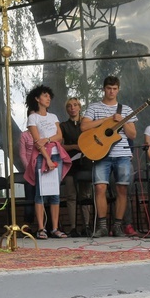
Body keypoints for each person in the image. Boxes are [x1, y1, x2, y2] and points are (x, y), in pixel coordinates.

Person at [81, 76, 137, 238]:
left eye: (114, 89)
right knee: (99, 188)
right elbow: (84, 126)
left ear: (118, 90)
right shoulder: (94, 107)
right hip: (100, 154)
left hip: (122, 154)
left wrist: (123, 121)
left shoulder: (125, 109)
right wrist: (107, 119)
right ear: (104, 89)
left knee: (122, 189)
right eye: (108, 88)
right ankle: (102, 226)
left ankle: (118, 226)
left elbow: (132, 134)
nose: (111, 92)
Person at [22, 85, 72, 240]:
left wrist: (48, 139)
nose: (48, 98)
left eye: (49, 96)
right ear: (37, 98)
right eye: (45, 95)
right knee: (41, 193)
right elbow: (37, 142)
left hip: (57, 154)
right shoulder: (33, 117)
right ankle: (41, 228)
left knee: (55, 193)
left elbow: (59, 136)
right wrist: (48, 159)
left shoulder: (53, 116)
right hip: (42, 157)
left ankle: (55, 228)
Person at [60, 97, 93, 237]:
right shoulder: (63, 126)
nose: (72, 108)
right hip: (69, 164)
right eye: (69, 106)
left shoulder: (86, 123)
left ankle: (87, 225)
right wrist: (74, 146)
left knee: (85, 195)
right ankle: (73, 227)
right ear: (67, 109)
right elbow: (60, 146)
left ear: (79, 107)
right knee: (71, 195)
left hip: (85, 163)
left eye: (75, 105)